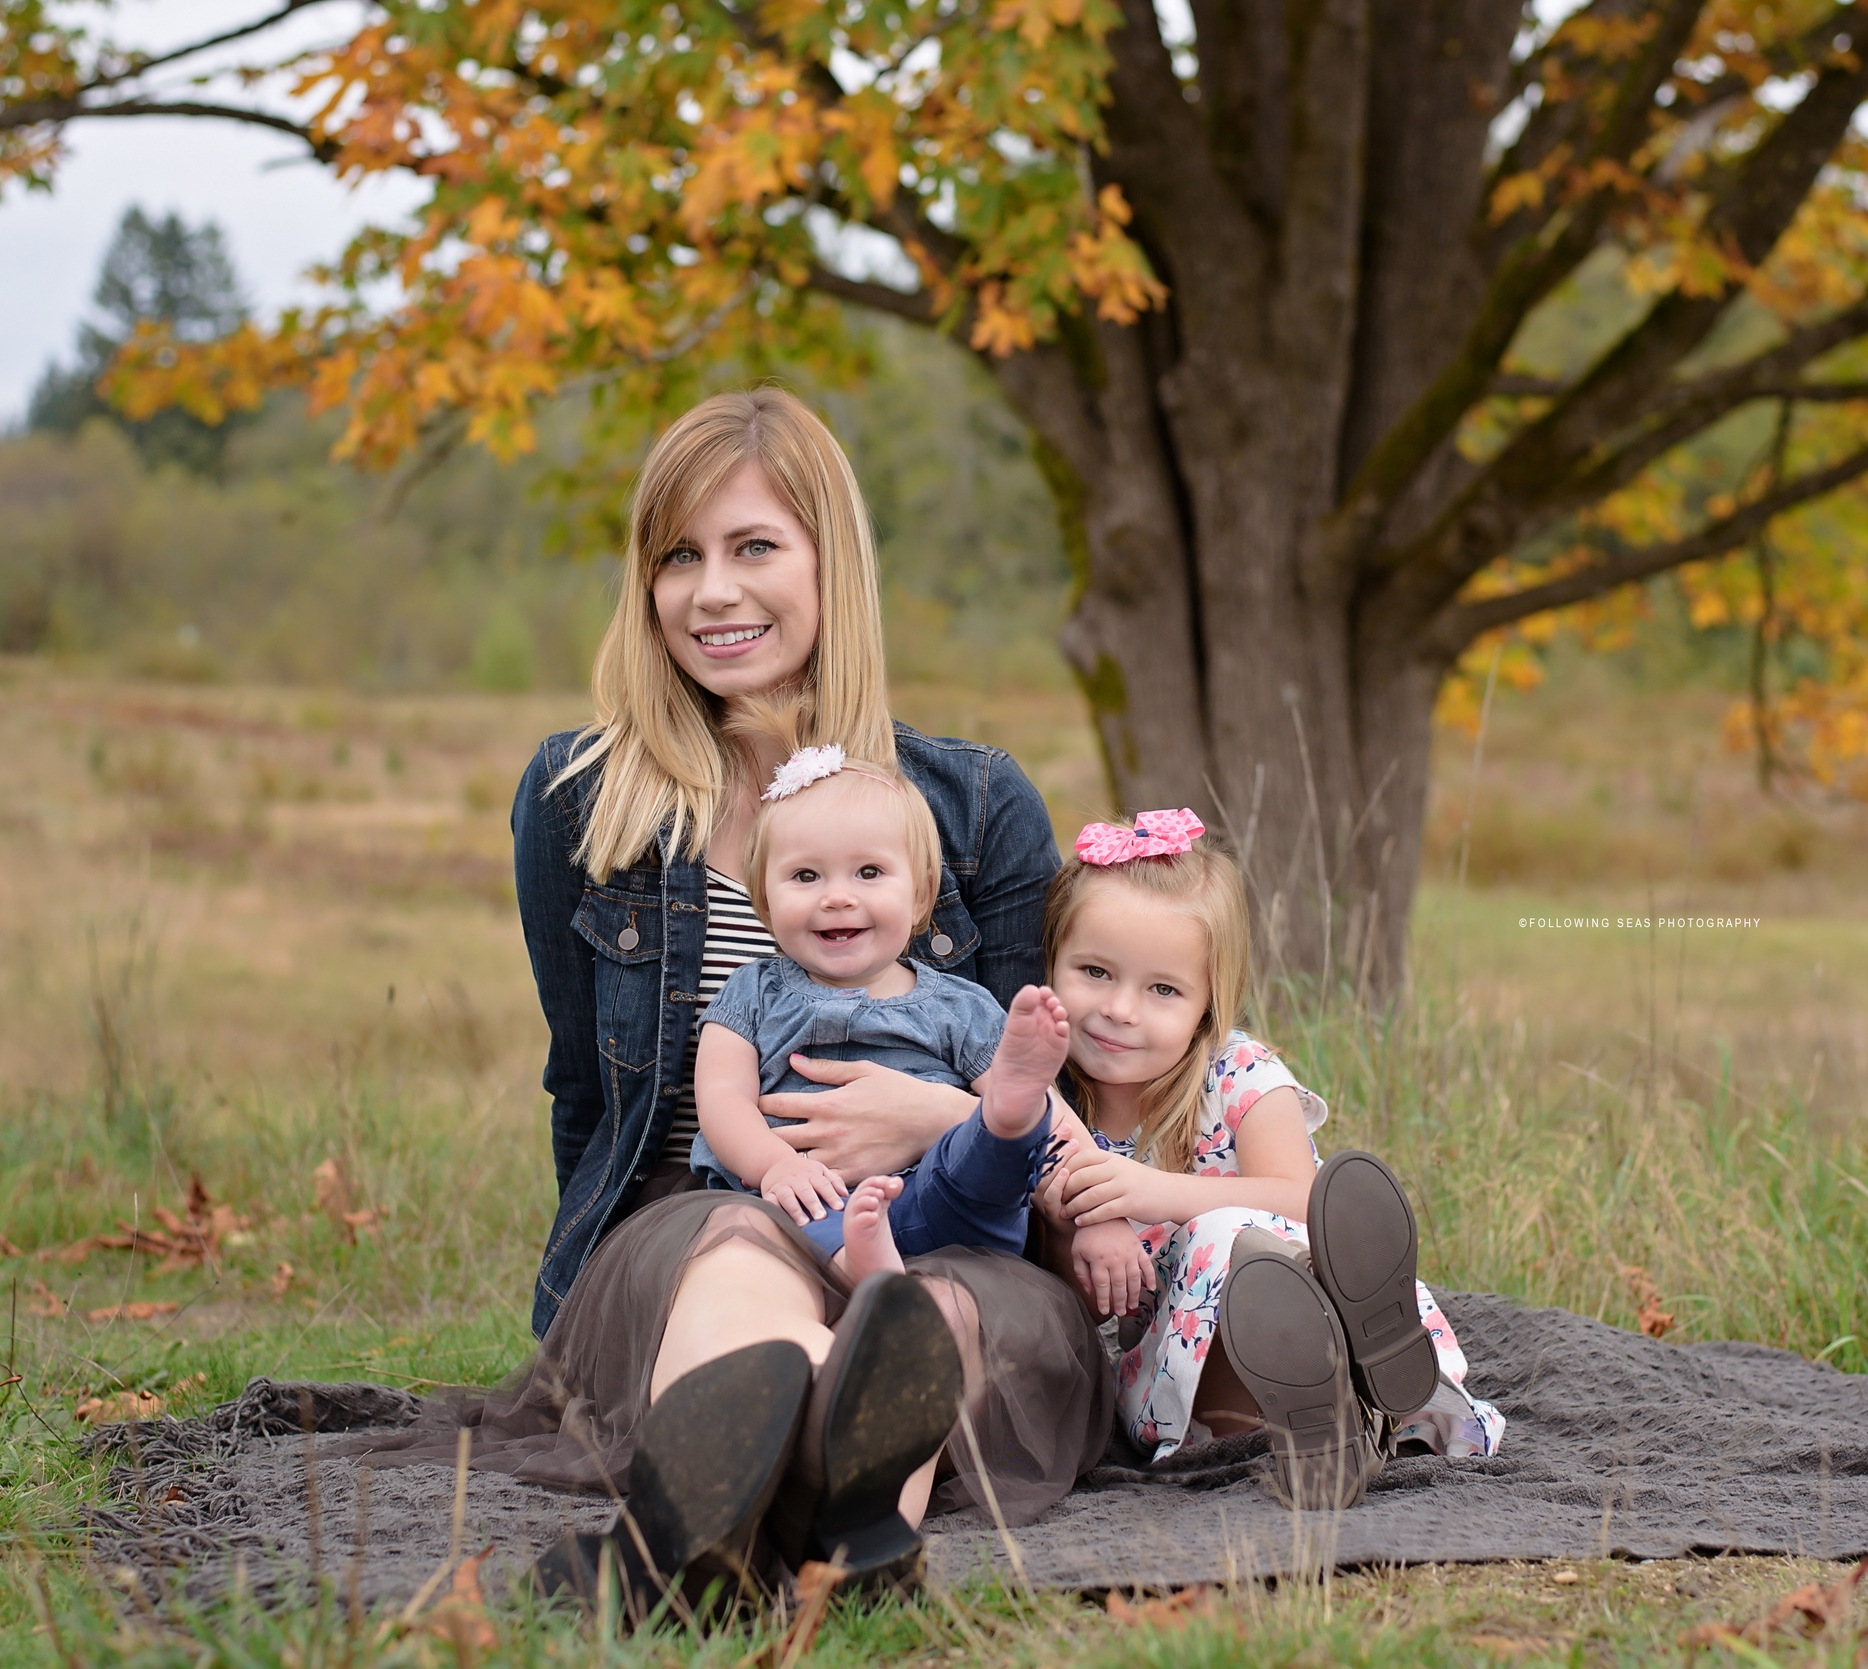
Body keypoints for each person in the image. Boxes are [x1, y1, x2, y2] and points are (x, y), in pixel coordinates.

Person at [348, 388, 1111, 1609]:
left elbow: (1042, 1084)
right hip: (703, 1206)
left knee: (931, 1317)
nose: (713, 592)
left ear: (830, 562)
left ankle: (725, 1538)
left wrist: (931, 1130)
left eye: (754, 547)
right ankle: (819, 1520)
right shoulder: (583, 796)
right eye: (678, 557)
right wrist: (591, 1301)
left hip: (955, 1218)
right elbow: (585, 1093)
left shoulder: (973, 806)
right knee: (737, 1271)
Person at [1031, 810, 1506, 1507]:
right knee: (1223, 1242)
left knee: (1240, 1233)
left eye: (1162, 989)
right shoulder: (1047, 1106)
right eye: (1095, 972)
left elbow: (1301, 1195)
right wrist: (1072, 1224)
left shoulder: (1239, 1073)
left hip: (1309, 1321)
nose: (1120, 1009)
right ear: (1051, 966)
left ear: (1208, 1004)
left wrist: (1148, 1190)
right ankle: (1323, 1430)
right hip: (1177, 1381)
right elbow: (1069, 1308)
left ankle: (1360, 1341)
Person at [685, 720, 1124, 1281]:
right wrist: (773, 1165)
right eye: (805, 876)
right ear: (765, 903)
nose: (838, 897)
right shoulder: (752, 994)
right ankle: (863, 1265)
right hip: (810, 1195)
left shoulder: (960, 1008)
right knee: (774, 1217)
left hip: (938, 1189)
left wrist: (1100, 1220)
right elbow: (722, 1098)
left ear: (919, 896)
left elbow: (1065, 1128)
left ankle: (1007, 1116)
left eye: (869, 872)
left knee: (983, 1159)